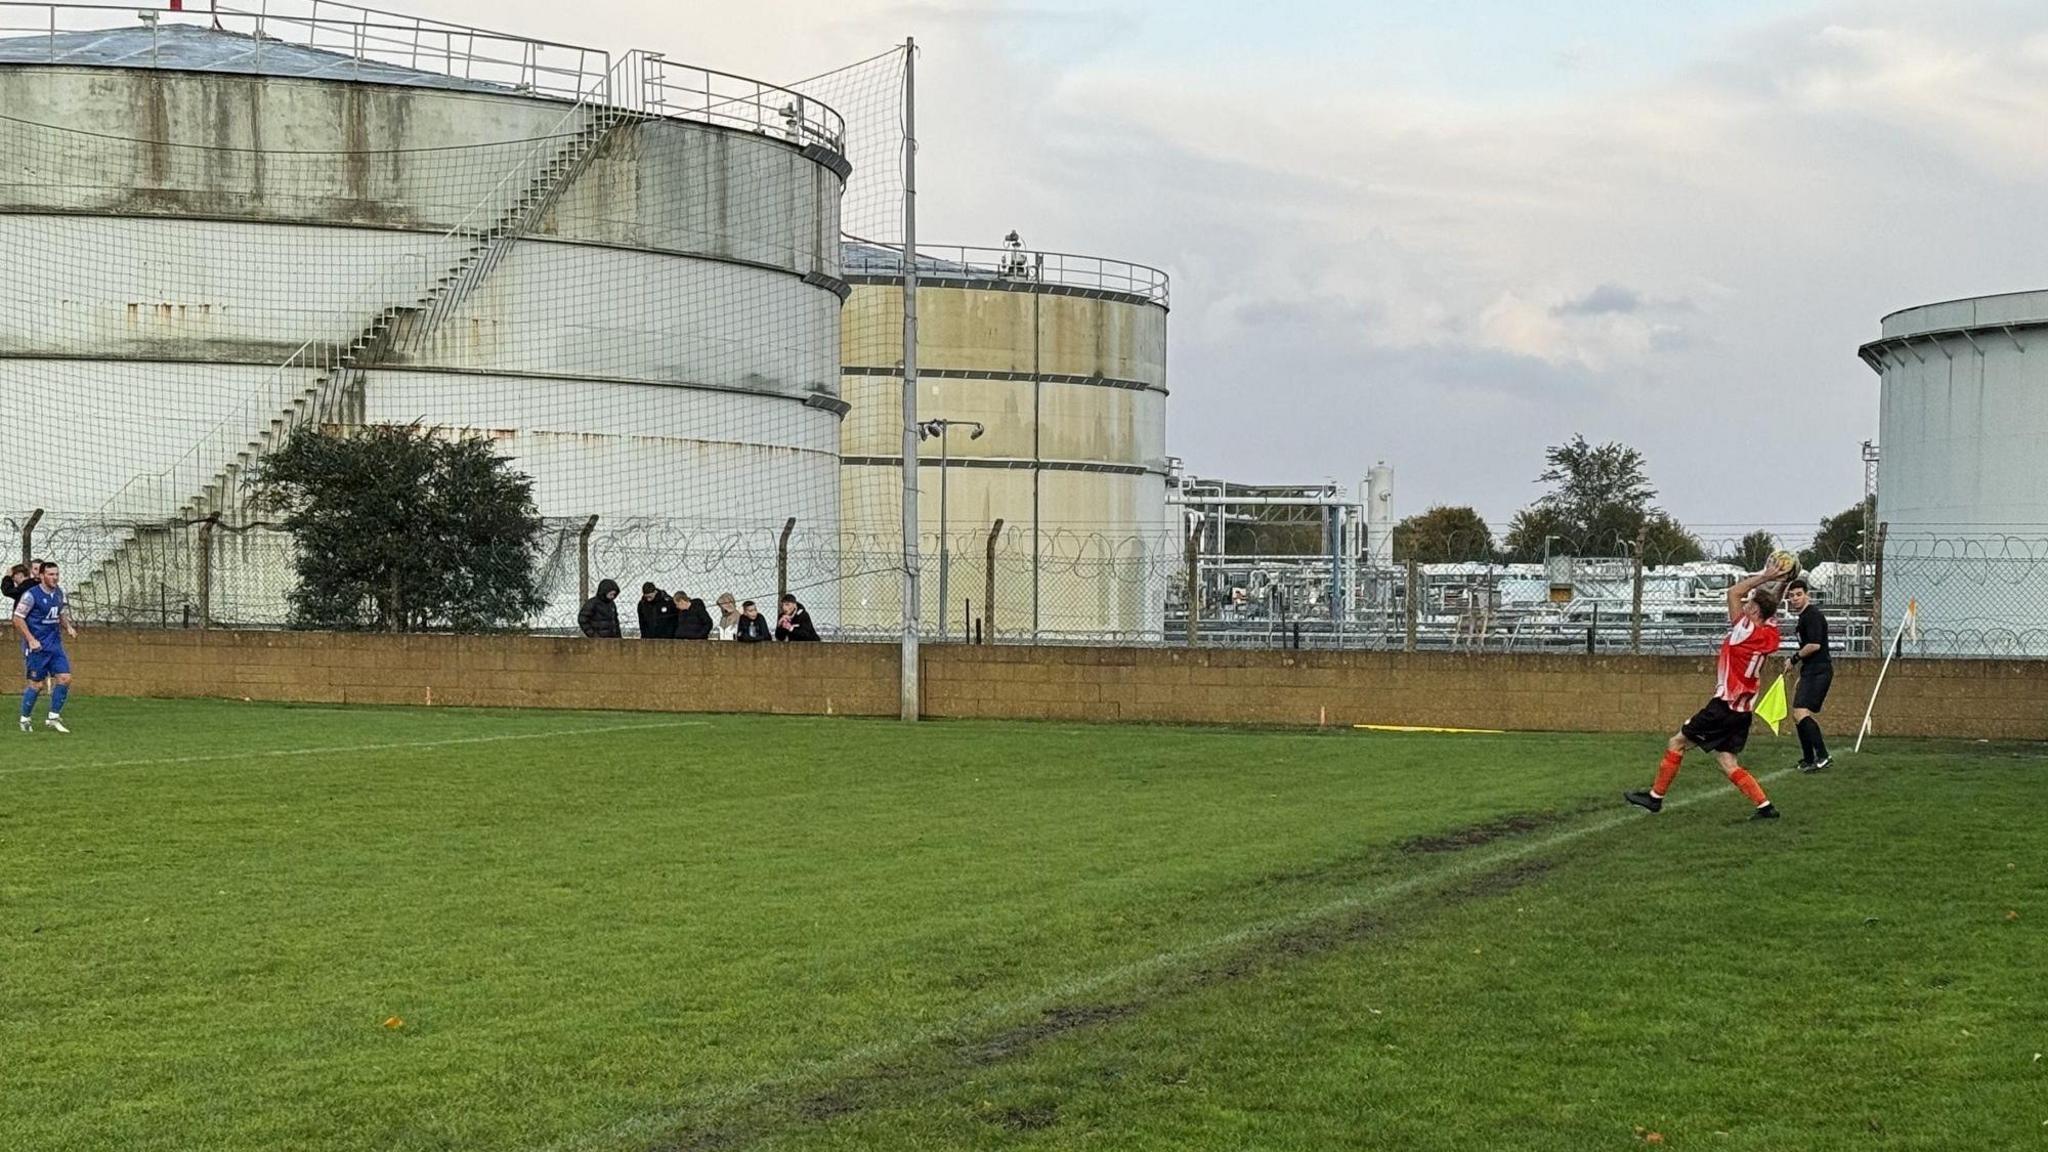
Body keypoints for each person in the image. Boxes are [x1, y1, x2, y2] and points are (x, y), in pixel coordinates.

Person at [1626, 558, 1790, 820]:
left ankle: (1655, 798)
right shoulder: (1770, 633)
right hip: (1743, 711)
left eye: (1749, 604)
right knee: (1728, 762)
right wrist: (1782, 583)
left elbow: (1733, 592)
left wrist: (1765, 576)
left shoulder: (1744, 631)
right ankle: (1765, 807)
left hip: (1724, 707)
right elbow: (1770, 608)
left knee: (1677, 742)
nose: (1743, 605)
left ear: (1754, 612)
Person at [14, 560, 76, 733]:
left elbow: (60, 612)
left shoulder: (58, 593)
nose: (54, 578)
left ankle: (53, 718)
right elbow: (17, 619)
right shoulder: (30, 595)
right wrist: (31, 639)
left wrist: (68, 627)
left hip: (55, 645)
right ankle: (25, 719)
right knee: (37, 685)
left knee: (65, 678)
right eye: (50, 574)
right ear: (41, 576)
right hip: (37, 647)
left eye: (56, 574)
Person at [1784, 578, 1832, 772]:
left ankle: (1823, 755)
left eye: (1799, 594)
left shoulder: (1812, 615)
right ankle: (1808, 758)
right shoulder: (1803, 617)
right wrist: (1802, 675)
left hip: (1820, 670)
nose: (1795, 599)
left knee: (1801, 712)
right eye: (1792, 596)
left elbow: (1814, 645)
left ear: (1807, 595)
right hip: (1810, 670)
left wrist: (1793, 659)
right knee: (1797, 715)